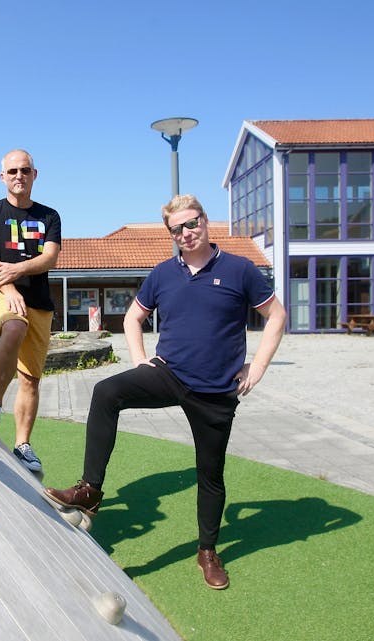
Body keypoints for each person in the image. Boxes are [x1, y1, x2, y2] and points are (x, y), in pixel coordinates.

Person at [45, 194, 286, 590]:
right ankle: (89, 490)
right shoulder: (162, 274)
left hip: (216, 391)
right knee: (107, 392)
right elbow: (133, 317)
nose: (187, 233)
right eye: (178, 229)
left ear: (206, 222)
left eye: (192, 224)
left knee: (211, 475)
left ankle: (207, 551)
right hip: (169, 373)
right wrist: (140, 359)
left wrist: (256, 366)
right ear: (169, 233)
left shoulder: (240, 270)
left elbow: (276, 315)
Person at [0, 150, 62, 472]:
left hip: (40, 302)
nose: (18, 176)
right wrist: (9, 288)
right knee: (14, 326)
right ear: (2, 177)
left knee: (30, 380)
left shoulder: (49, 216)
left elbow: (50, 258)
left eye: (25, 170)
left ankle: (23, 445)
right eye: (12, 171)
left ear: (35, 174)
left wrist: (17, 269)